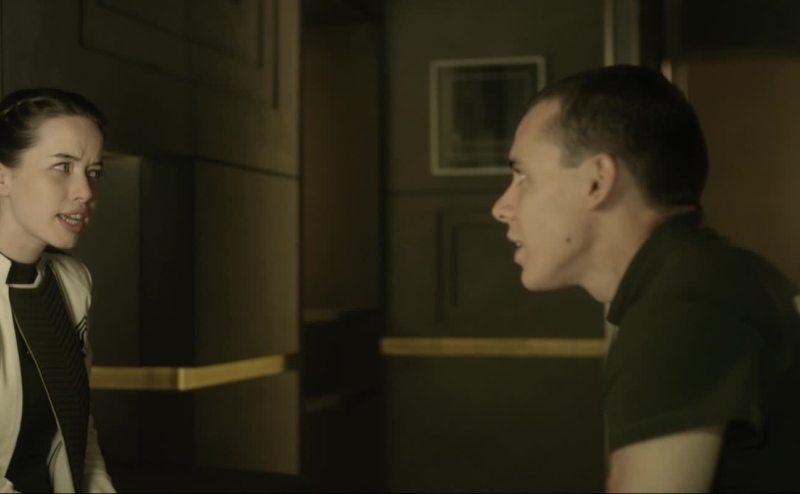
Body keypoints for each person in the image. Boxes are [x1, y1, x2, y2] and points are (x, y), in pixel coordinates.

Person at [492, 64, 800, 492]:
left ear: (597, 181)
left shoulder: (680, 312)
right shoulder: (717, 276)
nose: (502, 208)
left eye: (523, 175)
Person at [0, 88, 115, 492]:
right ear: (2, 177)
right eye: (62, 166)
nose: (86, 192)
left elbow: (77, 430)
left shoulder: (72, 282)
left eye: (94, 172)